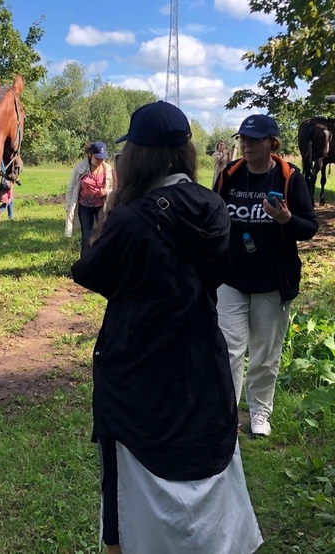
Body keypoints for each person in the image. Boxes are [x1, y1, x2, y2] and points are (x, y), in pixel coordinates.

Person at [71, 101, 262, 554]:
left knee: (134, 483)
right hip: (201, 360)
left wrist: (110, 220)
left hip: (140, 368)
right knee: (204, 473)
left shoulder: (132, 219)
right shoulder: (214, 207)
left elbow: (92, 273)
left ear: (138, 155)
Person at [214, 114, 318, 437]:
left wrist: (287, 220)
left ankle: (260, 412)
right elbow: (214, 216)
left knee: (264, 353)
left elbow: (310, 227)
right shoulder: (229, 175)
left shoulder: (289, 178)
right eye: (243, 139)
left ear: (272, 143)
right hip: (230, 278)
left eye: (254, 140)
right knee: (228, 348)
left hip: (273, 281)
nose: (245, 145)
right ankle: (227, 413)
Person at [64, 141, 114, 254]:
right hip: (84, 207)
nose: (100, 161)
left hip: (101, 207)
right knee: (86, 236)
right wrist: (68, 206)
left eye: (102, 158)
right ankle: (84, 263)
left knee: (102, 234)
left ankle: (100, 262)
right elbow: (71, 188)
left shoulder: (108, 170)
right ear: (90, 154)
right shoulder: (80, 168)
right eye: (98, 158)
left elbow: (114, 189)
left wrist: (106, 191)